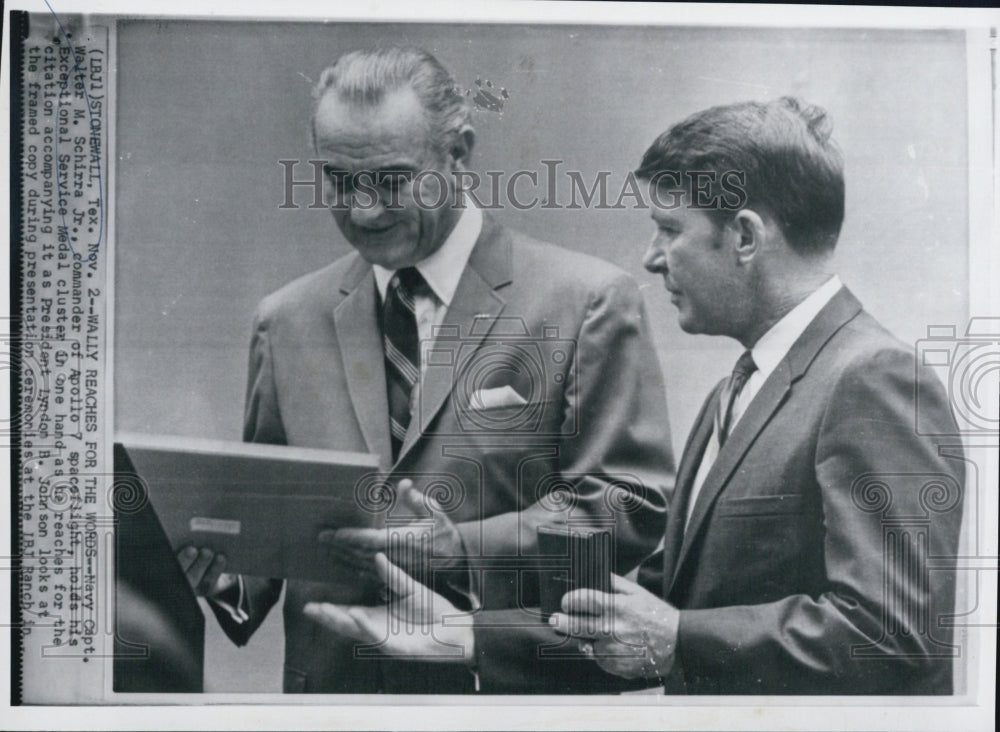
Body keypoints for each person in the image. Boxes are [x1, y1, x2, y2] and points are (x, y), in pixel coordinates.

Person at [179, 46, 674, 694]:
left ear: (459, 154)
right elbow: (273, 539)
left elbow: (629, 505)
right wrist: (223, 579)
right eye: (336, 180)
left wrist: (463, 548)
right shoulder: (286, 320)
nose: (361, 210)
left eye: (389, 180)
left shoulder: (585, 302)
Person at [548, 97, 965, 694]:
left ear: (745, 236)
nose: (651, 257)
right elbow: (666, 601)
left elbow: (896, 637)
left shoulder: (875, 377)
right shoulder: (733, 391)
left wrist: (678, 639)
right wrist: (463, 637)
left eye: (669, 229)